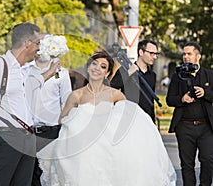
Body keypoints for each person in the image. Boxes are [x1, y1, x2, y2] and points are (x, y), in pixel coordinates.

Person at [37, 51, 176, 186]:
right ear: (88, 67)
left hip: (108, 153)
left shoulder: (115, 95)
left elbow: (128, 120)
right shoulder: (76, 95)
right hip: (84, 154)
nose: (97, 68)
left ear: (107, 73)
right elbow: (63, 120)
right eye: (94, 64)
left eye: (103, 66)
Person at [0, 22, 60, 186]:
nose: (39, 48)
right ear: (27, 43)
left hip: (28, 138)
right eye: (37, 43)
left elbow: (34, 83)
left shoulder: (23, 69)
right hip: (6, 138)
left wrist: (52, 70)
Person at [22, 34, 72, 186]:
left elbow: (67, 103)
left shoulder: (62, 73)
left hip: (51, 133)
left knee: (49, 176)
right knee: (27, 177)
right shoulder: (24, 71)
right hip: (27, 131)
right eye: (38, 43)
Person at [166, 41, 213, 186]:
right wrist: (182, 98)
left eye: (189, 54)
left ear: (198, 56)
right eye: (184, 54)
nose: (185, 57)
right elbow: (169, 99)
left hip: (206, 127)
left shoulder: (209, 75)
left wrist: (205, 92)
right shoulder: (176, 76)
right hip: (184, 127)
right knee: (187, 164)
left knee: (208, 159)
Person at [110, 39, 160, 123]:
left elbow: (150, 101)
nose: (154, 57)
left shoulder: (152, 75)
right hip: (128, 119)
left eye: (156, 54)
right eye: (151, 53)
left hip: (146, 120)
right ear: (141, 52)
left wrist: (152, 122)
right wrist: (129, 73)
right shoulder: (125, 70)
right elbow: (113, 85)